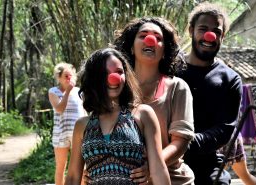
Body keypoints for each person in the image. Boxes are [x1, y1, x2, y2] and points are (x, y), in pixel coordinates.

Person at [65, 48, 171, 185]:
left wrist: (149, 169)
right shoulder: (82, 125)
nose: (114, 78)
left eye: (119, 72)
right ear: (95, 78)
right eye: (105, 73)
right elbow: (73, 176)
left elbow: (158, 169)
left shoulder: (143, 114)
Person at [113, 17, 195, 185]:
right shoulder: (114, 88)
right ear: (131, 47)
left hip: (173, 179)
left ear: (164, 51)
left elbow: (180, 142)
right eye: (143, 36)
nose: (150, 40)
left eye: (158, 39)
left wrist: (151, 166)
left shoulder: (177, 88)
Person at [175, 2, 243, 185]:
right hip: (165, 158)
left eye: (217, 31)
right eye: (203, 28)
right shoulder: (170, 69)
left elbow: (225, 129)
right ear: (191, 30)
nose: (209, 36)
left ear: (223, 36)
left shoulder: (231, 79)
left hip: (207, 161)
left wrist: (183, 143)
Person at [48, 62, 86, 185]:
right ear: (59, 78)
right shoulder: (53, 91)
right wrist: (68, 91)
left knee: (82, 168)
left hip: (78, 135)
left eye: (71, 75)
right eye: (66, 76)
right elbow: (59, 109)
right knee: (61, 167)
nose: (69, 78)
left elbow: (85, 111)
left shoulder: (79, 91)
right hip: (61, 133)